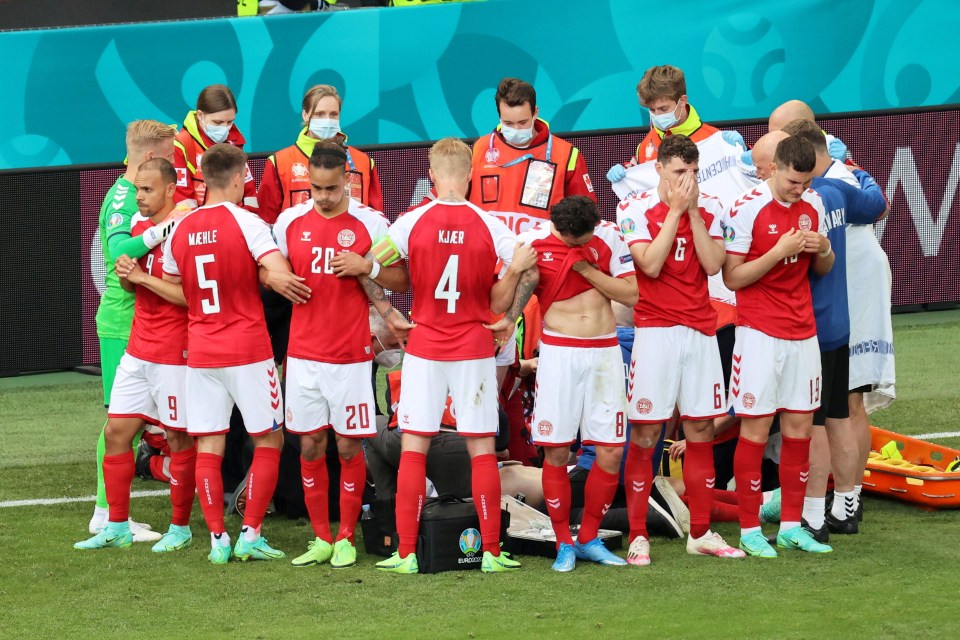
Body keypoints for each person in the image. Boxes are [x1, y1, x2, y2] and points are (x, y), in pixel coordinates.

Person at [367, 137, 539, 574]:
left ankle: (406, 553)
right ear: (470, 175)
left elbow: (369, 265)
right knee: (481, 448)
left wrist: (389, 312)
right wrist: (511, 318)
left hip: (424, 346)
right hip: (473, 347)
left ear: (430, 174)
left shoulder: (410, 222)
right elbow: (530, 269)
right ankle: (492, 553)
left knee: (413, 448)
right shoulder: (489, 223)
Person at [162, 143, 307, 564]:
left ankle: (216, 540)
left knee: (209, 443)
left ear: (204, 177)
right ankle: (251, 533)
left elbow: (177, 288)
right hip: (247, 349)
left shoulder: (182, 230)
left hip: (202, 351)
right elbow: (280, 273)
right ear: (242, 176)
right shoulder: (248, 222)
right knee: (269, 438)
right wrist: (264, 271)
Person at [271, 140, 405, 568]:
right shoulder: (289, 221)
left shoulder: (373, 223)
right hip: (304, 356)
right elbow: (266, 265)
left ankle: (346, 536)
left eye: (330, 188)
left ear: (347, 179)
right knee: (310, 445)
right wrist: (277, 280)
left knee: (348, 447)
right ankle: (320, 538)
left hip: (351, 356)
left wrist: (368, 267)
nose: (323, 197)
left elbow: (401, 276)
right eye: (315, 189)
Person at [616, 135, 744, 564]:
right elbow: (648, 265)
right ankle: (638, 535)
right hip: (654, 333)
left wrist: (691, 211)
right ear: (660, 170)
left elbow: (713, 267)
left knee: (701, 430)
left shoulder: (711, 206)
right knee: (647, 433)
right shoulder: (633, 208)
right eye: (678, 173)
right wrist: (674, 212)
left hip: (701, 333)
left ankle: (702, 533)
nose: (687, 181)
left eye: (692, 172)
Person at [721, 135, 835, 558]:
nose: (799, 190)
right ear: (774, 168)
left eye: (805, 183)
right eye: (792, 181)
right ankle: (750, 529)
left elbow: (822, 268)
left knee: (800, 430)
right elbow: (732, 278)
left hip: (803, 332)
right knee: (753, 428)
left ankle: (790, 525)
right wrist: (778, 251)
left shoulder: (814, 206)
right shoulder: (746, 207)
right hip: (758, 334)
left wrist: (822, 248)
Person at [76, 159, 195, 552]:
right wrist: (129, 276)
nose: (139, 197)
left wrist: (142, 277)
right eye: (138, 189)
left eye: (147, 190)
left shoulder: (186, 231)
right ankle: (115, 525)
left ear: (169, 191)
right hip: (138, 348)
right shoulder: (141, 231)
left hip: (173, 353)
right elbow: (130, 290)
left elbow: (188, 298)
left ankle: (180, 527)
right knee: (117, 431)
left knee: (178, 438)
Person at [516, 195, 638, 572]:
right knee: (555, 451)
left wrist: (587, 270)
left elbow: (632, 294)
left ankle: (588, 536)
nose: (577, 245)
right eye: (571, 241)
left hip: (604, 352)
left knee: (611, 451)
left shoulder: (609, 239)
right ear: (557, 228)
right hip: (558, 355)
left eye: (583, 239)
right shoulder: (532, 243)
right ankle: (563, 542)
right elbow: (509, 298)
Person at [779, 120, 887, 541]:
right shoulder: (840, 190)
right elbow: (877, 206)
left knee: (813, 424)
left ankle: (813, 518)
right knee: (841, 415)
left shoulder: (804, 201)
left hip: (810, 326)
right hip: (839, 322)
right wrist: (857, 170)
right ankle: (845, 507)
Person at [89, 119, 177, 541]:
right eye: (169, 156)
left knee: (130, 422)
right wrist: (165, 228)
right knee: (120, 423)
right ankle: (105, 514)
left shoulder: (129, 194)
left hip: (135, 321)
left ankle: (110, 512)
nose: (174, 163)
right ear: (149, 158)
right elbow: (119, 249)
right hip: (124, 321)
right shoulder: (124, 199)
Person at [469, 77, 596, 234]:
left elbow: (586, 217)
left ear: (535, 112)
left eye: (523, 122)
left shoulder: (566, 154)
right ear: (499, 116)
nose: (516, 128)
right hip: (490, 252)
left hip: (543, 253)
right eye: (508, 123)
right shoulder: (479, 148)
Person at [258, 84, 384, 225]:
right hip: (299, 245)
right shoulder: (280, 162)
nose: (327, 120)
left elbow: (377, 220)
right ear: (305, 115)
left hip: (352, 244)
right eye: (320, 114)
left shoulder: (363, 162)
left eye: (333, 114)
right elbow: (267, 222)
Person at [608, 65, 741, 182]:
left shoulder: (714, 138)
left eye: (663, 109)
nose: (657, 115)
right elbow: (638, 175)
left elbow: (750, 174)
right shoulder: (645, 144)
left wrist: (744, 151)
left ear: (682, 101)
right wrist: (624, 173)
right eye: (652, 110)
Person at [173, 84, 257, 212]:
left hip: (232, 225)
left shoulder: (235, 143)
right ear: (200, 115)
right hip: (195, 227)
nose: (224, 128)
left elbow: (249, 194)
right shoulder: (181, 145)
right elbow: (182, 201)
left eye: (230, 122)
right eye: (218, 122)